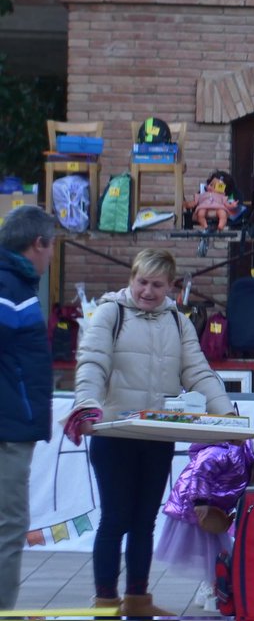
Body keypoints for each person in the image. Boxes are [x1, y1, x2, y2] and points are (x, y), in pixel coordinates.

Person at [67, 248, 234, 616]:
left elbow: (198, 372)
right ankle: (106, 602)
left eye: (157, 285)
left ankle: (138, 601)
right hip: (113, 434)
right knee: (115, 519)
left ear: (171, 287)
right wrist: (87, 404)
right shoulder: (111, 313)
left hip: (156, 437)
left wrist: (226, 413)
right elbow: (92, 362)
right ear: (132, 279)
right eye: (142, 282)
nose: (147, 291)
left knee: (144, 521)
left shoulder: (178, 322)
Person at [157, 429, 254, 610]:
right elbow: (201, 469)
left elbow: (238, 489)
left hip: (213, 511)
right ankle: (211, 589)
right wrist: (199, 500)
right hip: (195, 505)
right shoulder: (231, 452)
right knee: (212, 552)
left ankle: (210, 588)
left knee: (216, 552)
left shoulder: (249, 463)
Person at [0, 206, 56, 610]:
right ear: (38, 243)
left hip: (12, 423)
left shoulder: (14, 285)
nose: (52, 256)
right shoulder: (8, 287)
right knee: (9, 527)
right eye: (52, 247)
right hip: (8, 430)